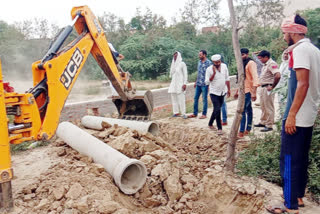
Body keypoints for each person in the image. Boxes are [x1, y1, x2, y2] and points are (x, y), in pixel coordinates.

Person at [266, 14, 320, 214]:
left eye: (284, 32)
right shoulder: (314, 50)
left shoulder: (301, 51)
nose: (283, 36)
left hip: (297, 115)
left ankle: (290, 205)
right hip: (307, 115)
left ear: (294, 32)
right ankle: (297, 195)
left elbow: (303, 84)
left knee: (288, 158)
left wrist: (291, 114)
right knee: (300, 157)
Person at [235, 48, 259, 138]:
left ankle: (241, 131)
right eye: (240, 55)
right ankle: (248, 129)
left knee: (242, 111)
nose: (241, 57)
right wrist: (237, 91)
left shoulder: (251, 63)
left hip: (249, 91)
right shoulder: (241, 64)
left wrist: (254, 92)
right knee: (248, 110)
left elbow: (255, 77)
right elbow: (241, 79)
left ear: (247, 55)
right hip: (243, 90)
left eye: (243, 55)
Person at [254, 50, 281, 132]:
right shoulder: (265, 64)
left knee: (269, 106)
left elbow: (278, 75)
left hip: (268, 87)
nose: (260, 60)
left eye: (261, 58)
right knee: (263, 106)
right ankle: (263, 121)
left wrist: (272, 86)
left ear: (266, 57)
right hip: (263, 87)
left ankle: (269, 125)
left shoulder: (271, 64)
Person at [205, 54, 230, 135]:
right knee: (217, 109)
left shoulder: (224, 66)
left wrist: (229, 90)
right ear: (213, 62)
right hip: (214, 92)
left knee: (216, 108)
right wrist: (213, 74)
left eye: (219, 62)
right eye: (216, 62)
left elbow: (227, 78)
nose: (218, 63)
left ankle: (210, 123)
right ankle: (219, 128)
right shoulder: (209, 69)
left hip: (223, 91)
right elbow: (207, 82)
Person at [188, 50, 212, 119]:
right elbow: (199, 72)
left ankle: (204, 114)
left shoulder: (209, 63)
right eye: (199, 55)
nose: (199, 56)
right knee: (195, 98)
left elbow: (210, 74)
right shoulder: (199, 62)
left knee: (204, 99)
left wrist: (209, 84)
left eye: (200, 55)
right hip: (198, 84)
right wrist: (196, 81)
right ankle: (195, 113)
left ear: (204, 55)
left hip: (205, 84)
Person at [168, 51, 188, 119]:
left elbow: (185, 74)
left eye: (176, 56)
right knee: (174, 99)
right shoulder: (173, 64)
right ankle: (176, 112)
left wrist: (184, 83)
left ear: (179, 56)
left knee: (181, 99)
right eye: (174, 56)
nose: (175, 57)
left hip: (180, 83)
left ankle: (183, 113)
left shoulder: (182, 64)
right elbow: (172, 73)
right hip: (173, 84)